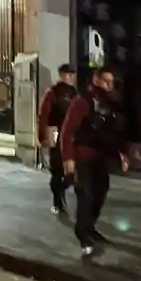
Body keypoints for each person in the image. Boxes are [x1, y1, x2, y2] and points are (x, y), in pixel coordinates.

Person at [59, 66, 128, 258]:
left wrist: (121, 153)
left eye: (111, 82)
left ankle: (90, 227)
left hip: (100, 157)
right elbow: (67, 130)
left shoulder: (108, 104)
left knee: (100, 192)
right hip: (83, 157)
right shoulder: (82, 102)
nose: (109, 85)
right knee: (86, 196)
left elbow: (112, 133)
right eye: (106, 81)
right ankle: (84, 236)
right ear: (96, 80)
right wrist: (68, 157)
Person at [37, 63, 79, 214]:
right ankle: (57, 201)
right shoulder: (52, 93)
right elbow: (43, 115)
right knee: (57, 169)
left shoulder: (75, 93)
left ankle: (61, 189)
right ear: (61, 75)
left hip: (72, 136)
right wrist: (43, 136)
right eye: (67, 74)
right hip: (56, 132)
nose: (70, 77)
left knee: (72, 172)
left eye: (71, 75)